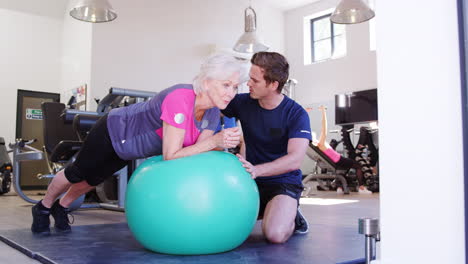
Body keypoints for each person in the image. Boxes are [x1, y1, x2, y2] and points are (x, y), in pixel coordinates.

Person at [31, 54, 245, 235]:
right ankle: (43, 207)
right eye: (226, 85)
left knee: (92, 180)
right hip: (112, 130)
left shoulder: (213, 113)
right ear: (207, 82)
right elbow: (172, 155)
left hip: (128, 149)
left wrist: (223, 145)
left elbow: (199, 151)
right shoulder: (180, 98)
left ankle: (62, 207)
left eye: (235, 87)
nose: (231, 93)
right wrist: (215, 141)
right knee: (77, 173)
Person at [222, 52, 312, 244]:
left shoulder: (296, 114)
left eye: (255, 80)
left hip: (282, 182)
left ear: (273, 85)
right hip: (249, 181)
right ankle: (271, 210)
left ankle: (292, 215)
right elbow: (213, 108)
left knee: (275, 234)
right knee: (222, 222)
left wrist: (257, 170)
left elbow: (295, 159)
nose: (249, 84)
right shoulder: (242, 103)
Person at [313, 106, 372, 194]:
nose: (315, 135)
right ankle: (361, 187)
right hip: (339, 160)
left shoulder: (317, 145)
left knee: (346, 166)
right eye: (313, 135)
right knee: (358, 166)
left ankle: (340, 188)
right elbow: (324, 128)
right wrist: (323, 112)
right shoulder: (320, 143)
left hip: (338, 160)